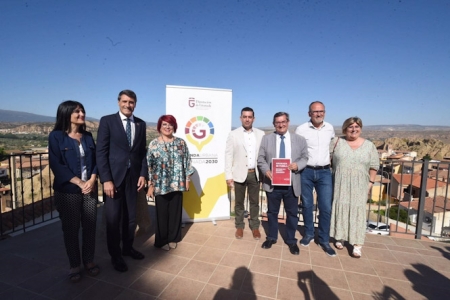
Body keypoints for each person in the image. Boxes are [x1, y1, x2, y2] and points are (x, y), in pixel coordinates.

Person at [96, 89, 147, 272]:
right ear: (118, 102)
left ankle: (127, 248)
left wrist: (142, 174)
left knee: (130, 218)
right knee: (113, 219)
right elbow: (101, 152)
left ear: (135, 104)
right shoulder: (107, 121)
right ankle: (115, 256)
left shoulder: (140, 124)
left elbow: (141, 153)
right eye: (124, 101)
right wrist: (106, 180)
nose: (128, 105)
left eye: (131, 102)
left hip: (133, 179)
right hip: (114, 180)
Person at [48, 101, 99, 282]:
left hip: (90, 189)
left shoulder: (87, 136)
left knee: (90, 227)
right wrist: (79, 182)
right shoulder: (56, 137)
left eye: (82, 110)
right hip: (68, 191)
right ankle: (74, 264)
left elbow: (95, 161)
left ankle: (89, 261)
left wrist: (92, 180)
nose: (81, 114)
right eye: (76, 111)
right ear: (66, 114)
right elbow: (56, 164)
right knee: (70, 229)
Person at [257, 112, 308, 255]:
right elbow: (260, 158)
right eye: (277, 122)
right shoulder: (266, 139)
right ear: (274, 124)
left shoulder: (299, 140)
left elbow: (305, 157)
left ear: (288, 122)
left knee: (292, 213)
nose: (281, 124)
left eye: (283, 121)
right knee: (272, 212)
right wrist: (266, 170)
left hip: (291, 183)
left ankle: (291, 240)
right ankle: (272, 237)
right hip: (273, 183)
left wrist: (297, 165)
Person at [329, 117, 379, 258]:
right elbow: (328, 159)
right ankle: (339, 237)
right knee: (341, 208)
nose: (354, 129)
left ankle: (357, 244)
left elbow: (374, 165)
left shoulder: (369, 146)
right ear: (345, 129)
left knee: (357, 211)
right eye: (350, 127)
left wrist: (371, 183)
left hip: (360, 184)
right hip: (340, 183)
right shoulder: (337, 142)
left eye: (357, 127)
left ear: (361, 129)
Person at [147, 115, 195, 250]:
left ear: (174, 127)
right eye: (164, 125)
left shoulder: (181, 143)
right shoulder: (153, 144)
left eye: (170, 124)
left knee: (175, 212)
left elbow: (187, 162)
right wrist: (150, 185)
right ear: (159, 127)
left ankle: (174, 238)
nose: (168, 127)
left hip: (177, 183)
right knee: (161, 213)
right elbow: (149, 166)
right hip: (160, 184)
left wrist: (187, 180)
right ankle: (161, 241)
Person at [295, 101, 336, 257]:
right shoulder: (301, 129)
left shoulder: (330, 128)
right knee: (306, 204)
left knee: (325, 207)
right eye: (315, 112)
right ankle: (309, 234)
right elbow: (297, 150)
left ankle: (324, 240)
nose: (318, 114)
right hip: (306, 171)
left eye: (321, 111)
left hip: (325, 172)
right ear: (309, 113)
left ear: (324, 112)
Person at [225, 107, 265, 240]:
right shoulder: (233, 134)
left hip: (255, 174)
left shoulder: (261, 134)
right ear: (240, 118)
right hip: (239, 174)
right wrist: (228, 175)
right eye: (245, 116)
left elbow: (264, 155)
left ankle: (255, 227)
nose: (247, 119)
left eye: (250, 117)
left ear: (253, 118)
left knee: (255, 203)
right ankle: (240, 226)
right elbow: (228, 155)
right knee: (239, 203)